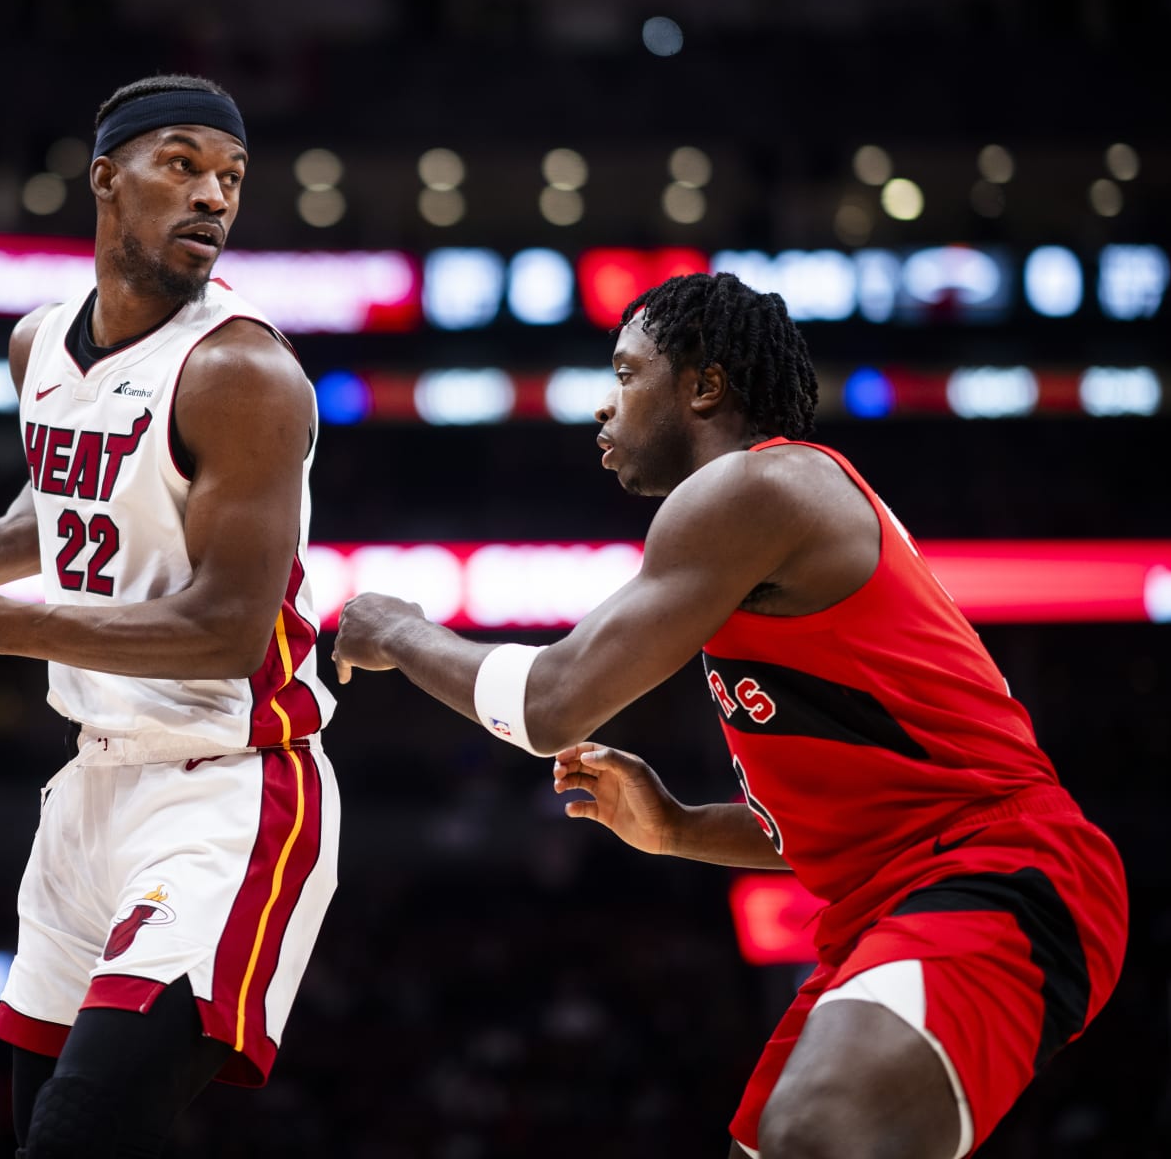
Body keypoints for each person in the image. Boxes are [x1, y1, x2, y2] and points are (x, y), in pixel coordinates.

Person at [331, 271, 1127, 1159]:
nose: (604, 409)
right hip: (888, 892)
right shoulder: (765, 521)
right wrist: (675, 829)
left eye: (628, 375)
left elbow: (551, 704)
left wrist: (399, 632)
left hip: (1003, 868)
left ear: (705, 385)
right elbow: (857, 817)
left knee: (824, 1129)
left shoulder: (758, 487)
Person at [0, 75, 338, 1157]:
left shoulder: (243, 371)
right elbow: (60, 513)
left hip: (228, 788)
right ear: (106, 177)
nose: (213, 197)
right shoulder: (39, 346)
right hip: (90, 787)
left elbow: (227, 629)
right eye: (182, 165)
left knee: (78, 1139)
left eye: (230, 178)